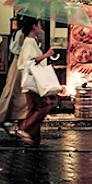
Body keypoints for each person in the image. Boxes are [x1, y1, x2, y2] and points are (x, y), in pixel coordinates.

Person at [16, 19, 55, 147]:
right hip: (33, 83)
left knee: (33, 109)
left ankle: (33, 139)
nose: (41, 28)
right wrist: (47, 54)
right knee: (45, 105)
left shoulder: (31, 42)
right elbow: (30, 62)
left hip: (31, 83)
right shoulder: (29, 42)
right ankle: (25, 130)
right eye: (39, 25)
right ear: (34, 26)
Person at [0, 17, 32, 131]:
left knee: (15, 91)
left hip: (17, 62)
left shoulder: (17, 32)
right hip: (20, 63)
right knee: (18, 92)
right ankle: (9, 119)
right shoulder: (23, 35)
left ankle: (13, 120)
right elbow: (23, 50)